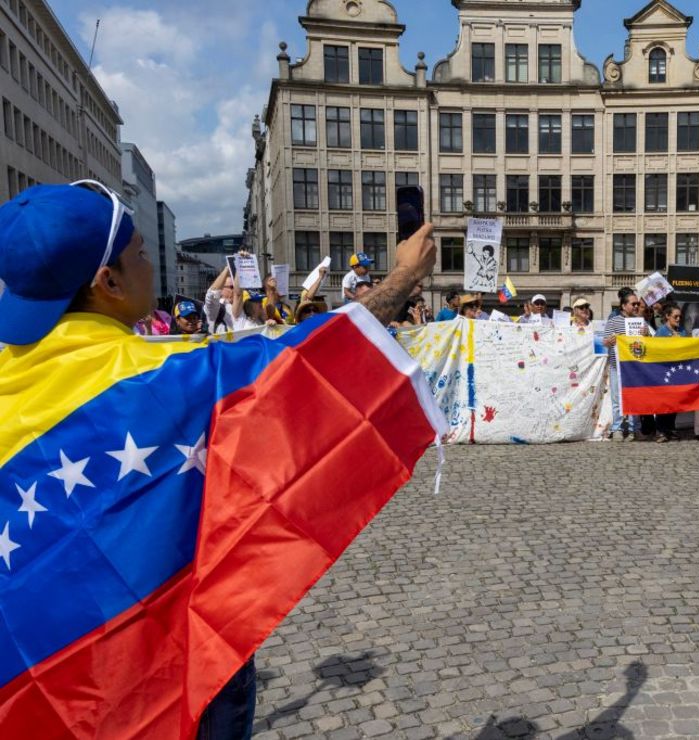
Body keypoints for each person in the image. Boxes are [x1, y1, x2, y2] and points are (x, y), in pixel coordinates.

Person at [0, 181, 438, 739]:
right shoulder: (164, 378)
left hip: (40, 659)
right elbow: (300, 363)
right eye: (140, 255)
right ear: (106, 282)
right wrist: (403, 277)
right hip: (161, 649)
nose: (150, 268)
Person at [602, 288, 646, 441]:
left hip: (635, 368)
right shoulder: (613, 321)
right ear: (623, 306)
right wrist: (610, 341)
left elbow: (648, 343)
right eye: (633, 304)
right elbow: (604, 342)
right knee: (617, 399)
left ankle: (635, 429)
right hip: (617, 367)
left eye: (637, 304)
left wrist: (646, 333)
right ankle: (618, 429)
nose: (636, 307)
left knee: (636, 399)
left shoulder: (641, 322)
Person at [652, 302, 686, 443]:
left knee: (674, 402)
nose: (678, 319)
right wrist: (669, 343)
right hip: (663, 371)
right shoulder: (661, 332)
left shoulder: (682, 331)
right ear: (667, 316)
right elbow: (655, 350)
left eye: (680, 317)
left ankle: (671, 429)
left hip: (676, 372)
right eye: (675, 316)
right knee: (663, 402)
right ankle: (661, 430)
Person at [203, 266, 235, 333]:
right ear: (221, 289)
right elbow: (211, 294)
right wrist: (227, 269)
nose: (235, 290)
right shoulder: (216, 307)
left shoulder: (245, 304)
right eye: (232, 287)